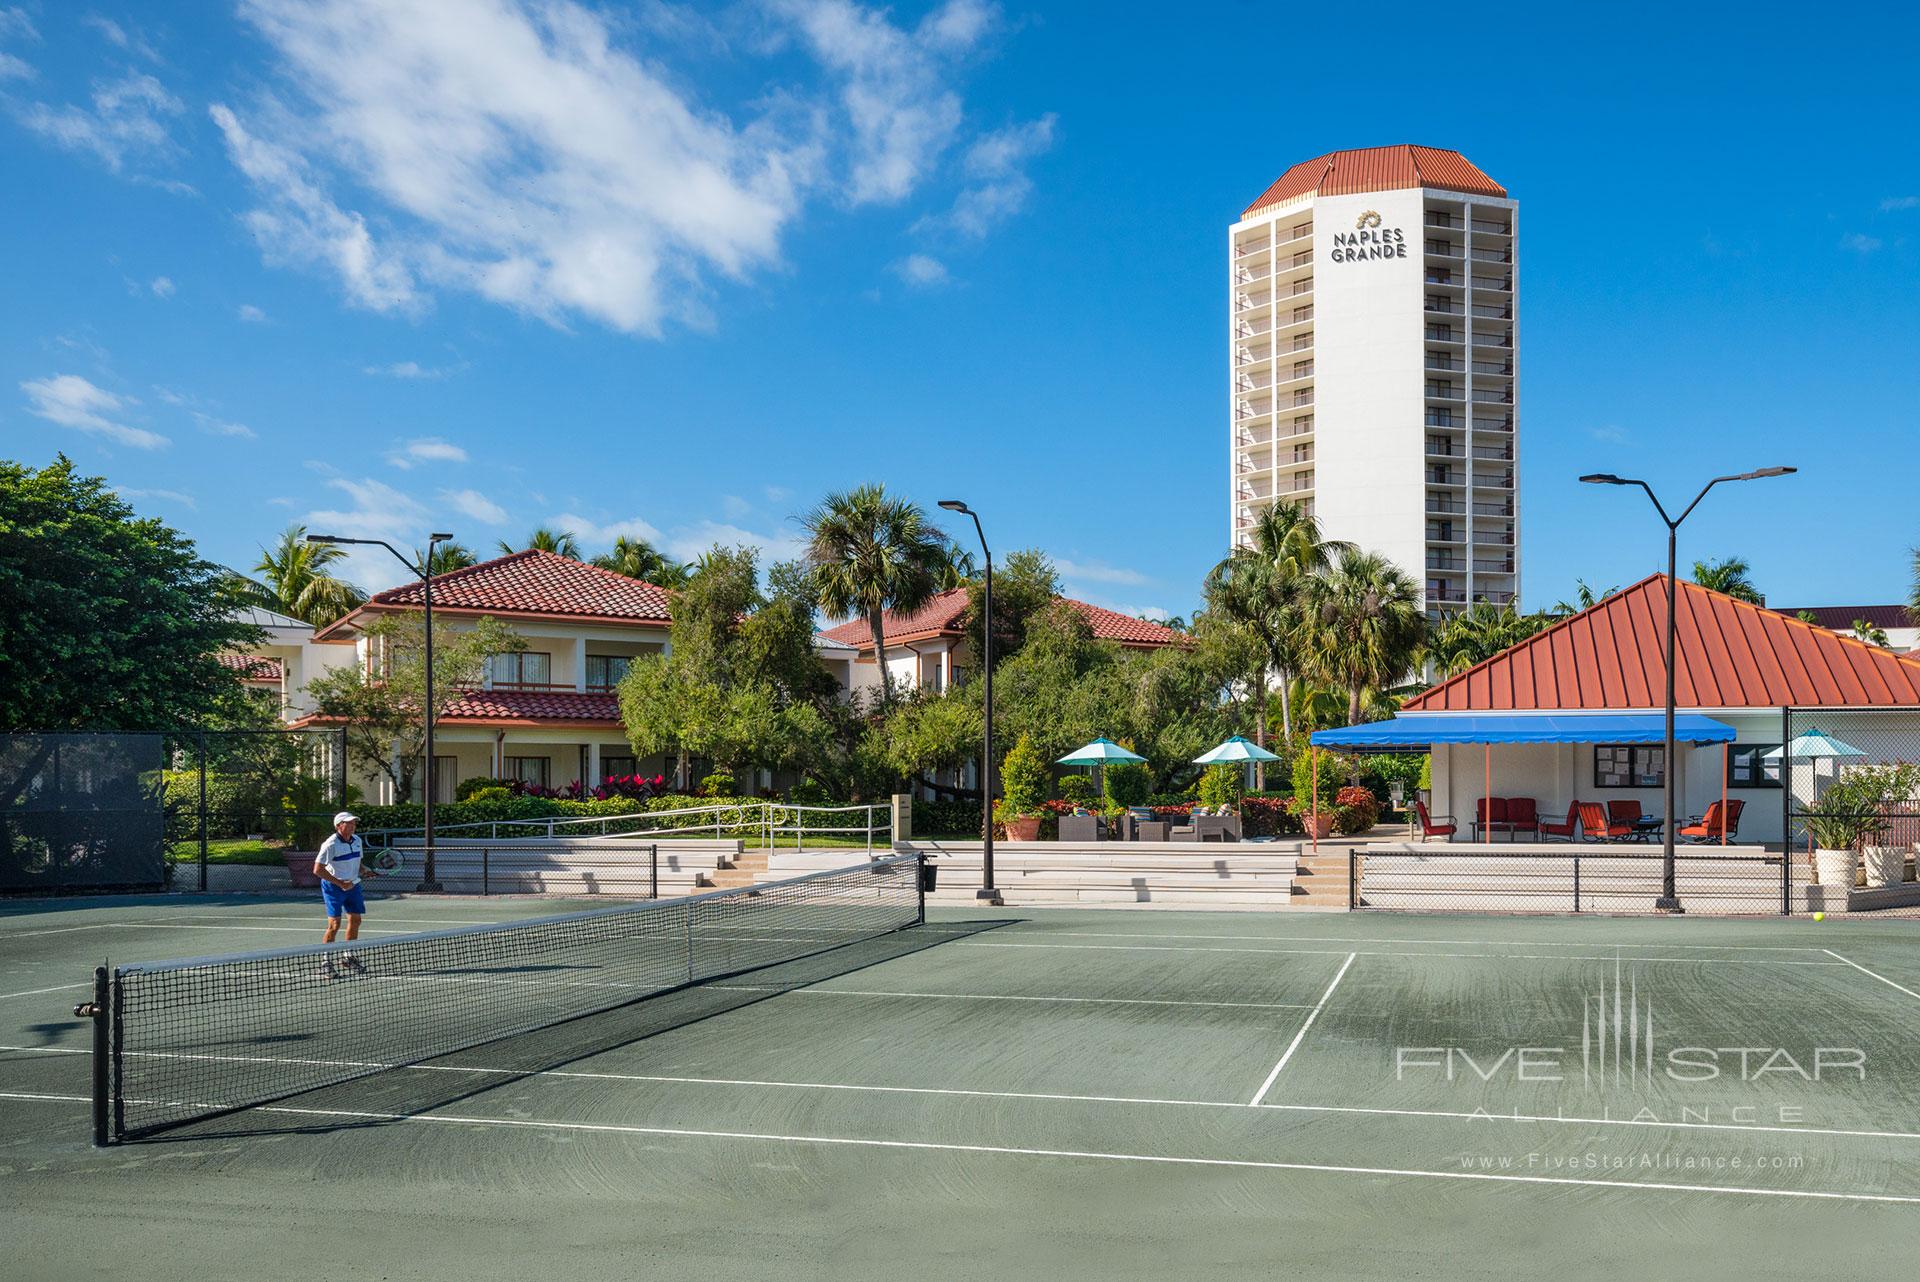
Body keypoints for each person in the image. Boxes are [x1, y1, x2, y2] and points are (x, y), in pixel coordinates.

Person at [314, 810, 375, 973]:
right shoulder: (330, 844)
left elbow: (357, 863)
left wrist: (364, 870)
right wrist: (340, 883)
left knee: (355, 920)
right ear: (339, 826)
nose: (353, 826)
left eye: (354, 823)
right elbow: (318, 870)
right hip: (333, 887)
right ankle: (326, 962)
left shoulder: (357, 840)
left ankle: (348, 956)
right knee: (334, 924)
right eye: (349, 823)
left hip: (353, 886)